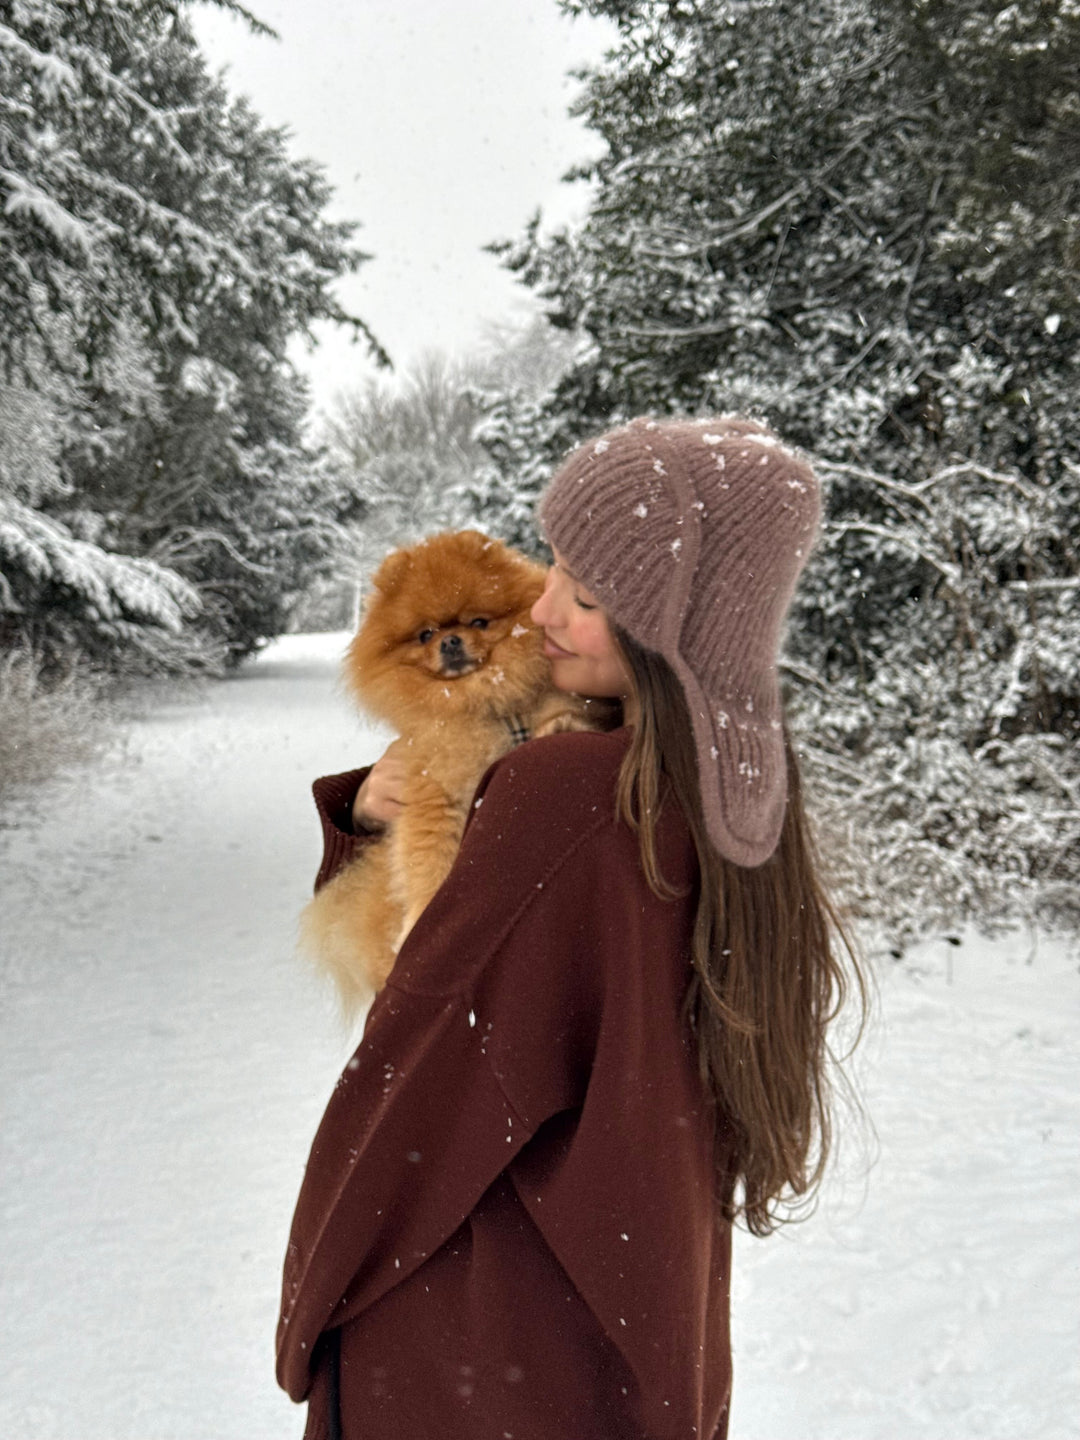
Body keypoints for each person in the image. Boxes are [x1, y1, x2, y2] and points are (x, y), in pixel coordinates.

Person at [276, 415, 863, 1440]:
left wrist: (312, 1292)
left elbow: (425, 1069)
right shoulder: (734, 787)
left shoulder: (564, 795)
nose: (540, 611)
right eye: (551, 572)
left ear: (667, 627)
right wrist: (381, 815)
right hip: (630, 1316)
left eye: (585, 598)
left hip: (479, 1316)